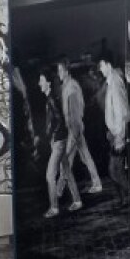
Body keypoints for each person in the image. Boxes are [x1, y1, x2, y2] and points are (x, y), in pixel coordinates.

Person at [38, 70, 81, 217]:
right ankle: (77, 200)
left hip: (58, 142)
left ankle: (54, 208)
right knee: (67, 171)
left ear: (48, 83)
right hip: (59, 140)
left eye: (41, 81)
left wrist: (51, 135)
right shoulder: (51, 98)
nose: (39, 84)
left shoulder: (51, 99)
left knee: (50, 175)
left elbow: (59, 120)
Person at [57, 59, 103, 195]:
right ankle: (97, 183)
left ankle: (59, 189)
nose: (58, 74)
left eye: (60, 71)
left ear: (66, 72)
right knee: (83, 157)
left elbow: (76, 111)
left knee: (66, 158)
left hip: (74, 128)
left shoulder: (72, 87)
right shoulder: (67, 86)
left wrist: (74, 130)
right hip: (74, 128)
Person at [98, 57, 130, 207]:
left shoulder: (115, 82)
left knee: (113, 170)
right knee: (117, 170)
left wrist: (119, 135)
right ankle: (125, 198)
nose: (100, 69)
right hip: (114, 133)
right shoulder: (111, 82)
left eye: (102, 66)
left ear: (108, 64)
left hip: (118, 133)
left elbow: (121, 110)